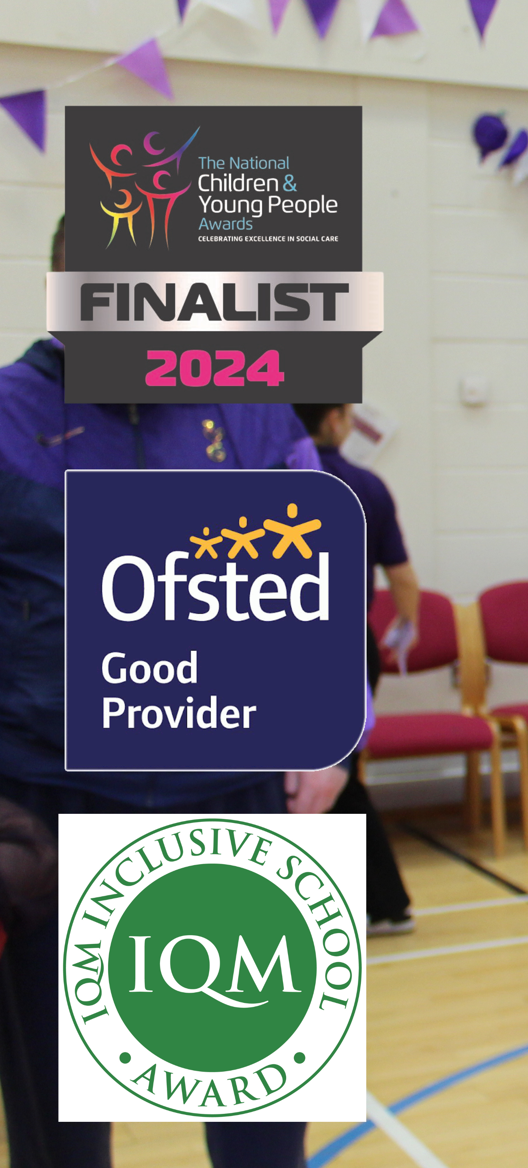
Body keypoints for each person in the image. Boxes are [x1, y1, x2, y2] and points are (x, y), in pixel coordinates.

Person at [0, 218, 346, 1168]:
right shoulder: (8, 415)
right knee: (58, 1130)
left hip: (232, 794)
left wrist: (329, 733)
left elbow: (315, 579)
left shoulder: (253, 411)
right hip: (50, 802)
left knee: (258, 1106)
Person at [293, 402, 419, 936]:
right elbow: (402, 577)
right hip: (349, 642)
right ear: (336, 419)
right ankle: (381, 902)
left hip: (297, 642)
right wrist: (405, 627)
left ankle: (376, 902)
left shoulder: (266, 475)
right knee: (335, 777)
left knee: (323, 780)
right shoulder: (365, 485)